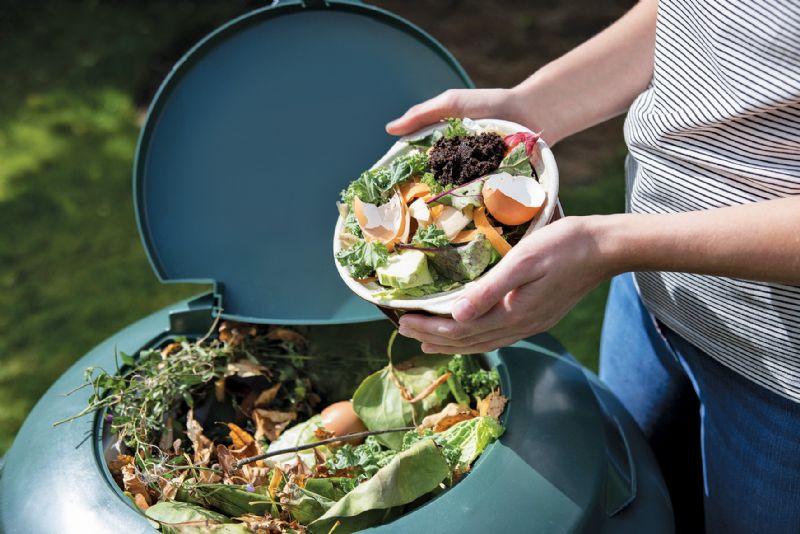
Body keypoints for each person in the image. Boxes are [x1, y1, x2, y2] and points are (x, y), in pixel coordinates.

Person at [387, 0, 800, 532]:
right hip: (651, 296)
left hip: (780, 375)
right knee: (631, 508)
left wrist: (609, 247)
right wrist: (532, 109)